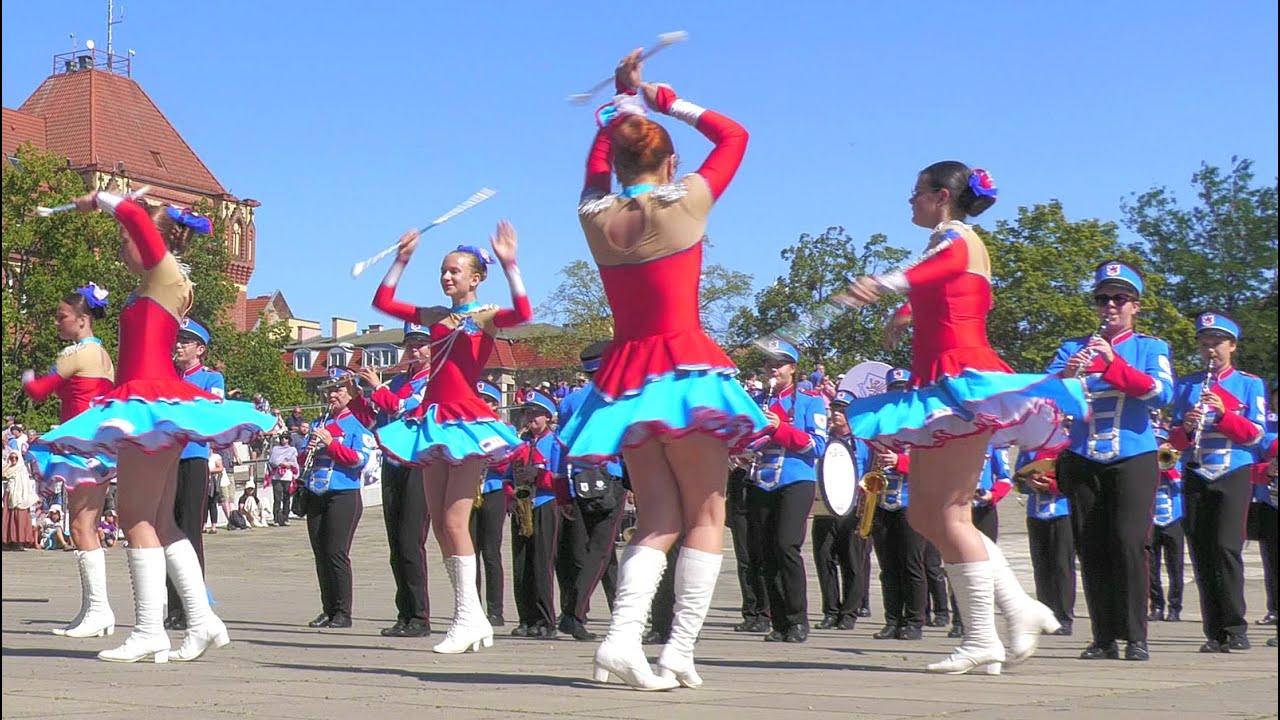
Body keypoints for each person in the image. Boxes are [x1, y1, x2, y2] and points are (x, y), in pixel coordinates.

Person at [560, 50, 764, 690]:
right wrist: (662, 97)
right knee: (707, 516)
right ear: (670, 162)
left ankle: (621, 641)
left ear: (618, 164)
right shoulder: (686, 202)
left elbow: (597, 169)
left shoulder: (595, 216)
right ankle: (677, 649)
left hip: (624, 380)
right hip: (685, 369)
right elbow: (735, 135)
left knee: (655, 518)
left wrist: (622, 106)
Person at [841, 162, 1085, 675]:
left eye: (917, 193)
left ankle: (982, 637)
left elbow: (941, 272)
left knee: (948, 516)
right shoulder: (943, 242)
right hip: (937, 382)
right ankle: (1020, 608)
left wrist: (886, 284)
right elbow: (946, 288)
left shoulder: (957, 237)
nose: (910, 201)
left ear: (941, 196)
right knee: (923, 515)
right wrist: (908, 310)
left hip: (962, 383)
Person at [35, 190, 275, 663]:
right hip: (143, 402)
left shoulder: (164, 276)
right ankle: (203, 621)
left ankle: (150, 630)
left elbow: (131, 212)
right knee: (160, 520)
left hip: (152, 402)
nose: (124, 246)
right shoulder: (151, 283)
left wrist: (94, 200)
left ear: (151, 239)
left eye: (127, 239)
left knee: (135, 518)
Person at [371, 219, 531, 654]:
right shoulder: (437, 316)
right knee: (439, 524)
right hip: (431, 421)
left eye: (454, 271)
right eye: (442, 270)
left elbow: (524, 313)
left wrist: (510, 263)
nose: (446, 276)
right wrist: (401, 259)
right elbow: (383, 301)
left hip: (466, 423)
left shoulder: (485, 316)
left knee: (456, 521)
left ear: (476, 278)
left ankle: (465, 619)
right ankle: (472, 616)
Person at [1048, 259, 1174, 662]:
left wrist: (1113, 365)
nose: (1110, 306)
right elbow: (1044, 393)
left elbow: (1162, 394)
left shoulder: (1150, 348)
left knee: (1129, 542)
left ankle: (1136, 635)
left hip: (1133, 456)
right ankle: (1103, 635)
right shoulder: (1072, 347)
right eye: (1103, 299)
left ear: (1135, 305)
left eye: (1120, 299)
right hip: (1084, 456)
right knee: (1092, 546)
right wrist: (1068, 374)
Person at [21, 283, 117, 636]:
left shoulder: (76, 354)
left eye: (62, 317)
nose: (57, 322)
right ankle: (94, 608)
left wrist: (28, 377)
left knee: (81, 527)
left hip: (83, 446)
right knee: (84, 525)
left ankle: (99, 610)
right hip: (97, 445)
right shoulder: (101, 354)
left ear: (82, 319)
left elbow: (39, 392)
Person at [1168, 312, 1266, 652]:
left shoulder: (1249, 384)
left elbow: (1255, 436)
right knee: (1202, 551)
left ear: (1232, 346)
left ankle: (1235, 627)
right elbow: (1174, 440)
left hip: (1233, 471)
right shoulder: (1185, 386)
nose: (1211, 350)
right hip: (1195, 471)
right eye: (1205, 343)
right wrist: (1189, 427)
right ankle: (1214, 632)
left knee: (1226, 548)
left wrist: (1224, 415)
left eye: (1217, 343)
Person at [352, 322, 433, 638]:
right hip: (392, 463)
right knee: (396, 544)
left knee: (411, 542)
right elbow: (374, 418)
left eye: (421, 344)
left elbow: (403, 409)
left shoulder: (433, 380)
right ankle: (405, 613)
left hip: (416, 462)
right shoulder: (399, 380)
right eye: (410, 344)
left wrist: (378, 388)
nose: (414, 349)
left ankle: (420, 617)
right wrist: (358, 394)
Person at [743, 340, 827, 643]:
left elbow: (817, 445)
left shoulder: (809, 400)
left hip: (795, 480)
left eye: (779, 364)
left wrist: (779, 427)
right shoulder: (754, 400)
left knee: (786, 546)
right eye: (768, 364)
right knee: (765, 553)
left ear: (792, 368)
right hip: (760, 480)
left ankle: (797, 619)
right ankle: (778, 622)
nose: (773, 369)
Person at [556, 342, 628, 642]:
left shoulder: (571, 401)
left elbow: (560, 449)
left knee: (604, 550)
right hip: (610, 477)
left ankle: (620, 612)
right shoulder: (620, 399)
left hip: (579, 479)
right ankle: (573, 614)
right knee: (599, 550)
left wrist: (562, 491)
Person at [301, 368, 375, 629]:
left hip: (344, 493)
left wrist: (332, 444)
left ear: (350, 392)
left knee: (336, 553)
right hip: (316, 492)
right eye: (329, 390)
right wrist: (306, 449)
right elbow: (301, 461)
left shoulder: (357, 424)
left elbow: (360, 460)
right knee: (320, 554)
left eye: (338, 389)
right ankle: (328, 609)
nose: (332, 395)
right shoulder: (317, 423)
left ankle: (343, 612)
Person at [164, 317, 224, 631]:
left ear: (200, 349)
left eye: (185, 341)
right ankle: (174, 607)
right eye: (177, 340)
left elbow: (209, 413)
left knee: (189, 533)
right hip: (165, 461)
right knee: (166, 533)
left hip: (192, 459)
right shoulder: (165, 376)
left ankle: (193, 606)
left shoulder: (210, 378)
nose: (178, 346)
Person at [865, 368, 926, 641]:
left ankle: (914, 620)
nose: (898, 395)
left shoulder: (923, 424)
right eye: (894, 390)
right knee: (888, 566)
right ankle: (892, 619)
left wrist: (900, 462)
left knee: (911, 564)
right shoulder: (879, 425)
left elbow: (931, 465)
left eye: (903, 389)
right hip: (882, 501)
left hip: (911, 502)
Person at [506, 390, 568, 638]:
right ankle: (526, 618)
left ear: (548, 417)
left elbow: (561, 478)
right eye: (527, 413)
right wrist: (511, 494)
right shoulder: (521, 445)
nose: (529, 418)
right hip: (522, 507)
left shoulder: (555, 443)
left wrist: (538, 476)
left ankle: (545, 620)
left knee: (542, 563)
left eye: (535, 413)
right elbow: (508, 476)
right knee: (521, 564)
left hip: (545, 503)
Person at [810, 388, 865, 631]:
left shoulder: (862, 442)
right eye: (834, 409)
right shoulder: (823, 438)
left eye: (841, 410)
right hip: (824, 506)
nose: (835, 415)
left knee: (852, 561)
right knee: (823, 559)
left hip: (853, 507)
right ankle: (830, 610)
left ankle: (849, 612)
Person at [943, 446, 1013, 638]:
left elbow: (1005, 478)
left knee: (984, 567)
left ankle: (982, 619)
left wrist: (992, 495)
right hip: (956, 509)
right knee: (957, 566)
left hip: (984, 510)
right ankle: (959, 619)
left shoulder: (996, 443)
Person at [1016, 446, 1076, 635]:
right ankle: (1045, 615)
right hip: (1036, 513)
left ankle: (1064, 617)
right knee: (1041, 567)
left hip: (1062, 512)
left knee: (1062, 566)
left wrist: (1050, 485)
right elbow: (1018, 478)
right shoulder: (1029, 448)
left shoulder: (1069, 448)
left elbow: (1075, 482)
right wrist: (1029, 482)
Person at [472, 381, 512, 626]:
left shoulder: (503, 427)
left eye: (486, 400)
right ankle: (472, 607)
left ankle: (495, 610)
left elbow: (508, 461)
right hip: (470, 490)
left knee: (491, 552)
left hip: (493, 490)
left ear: (495, 405)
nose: (481, 404)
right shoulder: (467, 428)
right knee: (469, 552)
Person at [1247, 383, 1278, 633]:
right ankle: (1275, 609)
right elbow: (1247, 469)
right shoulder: (1264, 432)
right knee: (1272, 561)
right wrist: (1265, 471)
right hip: (1270, 504)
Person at [1148, 423, 1185, 623]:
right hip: (1152, 521)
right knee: (1152, 568)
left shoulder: (1176, 463)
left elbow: (1180, 486)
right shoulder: (1146, 466)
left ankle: (1175, 607)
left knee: (1175, 567)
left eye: (1161, 444)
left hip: (1174, 520)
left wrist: (1168, 468)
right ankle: (1156, 606)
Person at [3, 448, 40, 550]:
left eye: (15, 457)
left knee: (21, 518)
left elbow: (26, 484)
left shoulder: (22, 469)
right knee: (8, 518)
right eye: (11, 457)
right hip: (10, 494)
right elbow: (3, 474)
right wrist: (8, 465)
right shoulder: (8, 467)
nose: (13, 459)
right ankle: (9, 541)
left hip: (21, 496)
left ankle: (20, 541)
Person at [266, 434, 299, 526]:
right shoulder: (275, 449)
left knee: (287, 497)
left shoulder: (292, 449)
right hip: (277, 476)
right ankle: (276, 518)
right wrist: (280, 463)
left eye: (287, 438)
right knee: (277, 497)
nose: (285, 440)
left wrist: (289, 464)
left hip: (287, 476)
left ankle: (285, 518)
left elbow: (294, 462)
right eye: (283, 438)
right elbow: (272, 461)